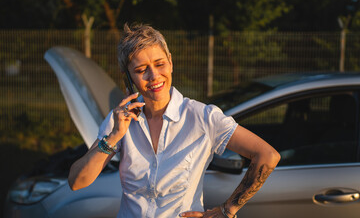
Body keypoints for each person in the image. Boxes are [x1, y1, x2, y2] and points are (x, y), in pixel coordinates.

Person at [68, 23, 280, 218]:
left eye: (159, 64)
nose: (154, 76)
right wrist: (114, 136)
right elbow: (77, 182)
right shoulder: (120, 119)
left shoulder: (203, 117)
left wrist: (227, 211)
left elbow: (267, 155)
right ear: (127, 77)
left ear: (170, 62)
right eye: (141, 70)